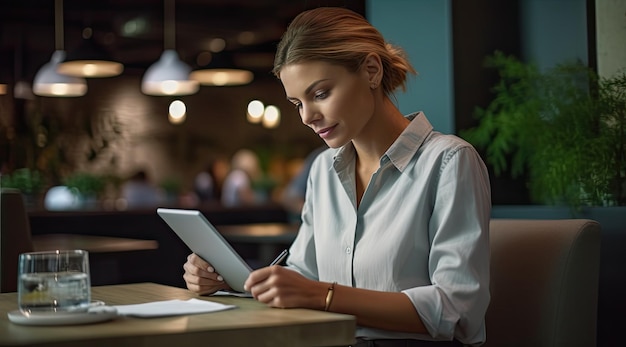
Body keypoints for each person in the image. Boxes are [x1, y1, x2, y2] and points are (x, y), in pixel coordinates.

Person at [183, 7, 491, 346]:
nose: (308, 117)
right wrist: (234, 283)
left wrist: (323, 296)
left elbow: (456, 311)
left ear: (371, 70)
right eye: (297, 103)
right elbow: (305, 276)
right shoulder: (322, 170)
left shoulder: (449, 163)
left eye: (320, 94)